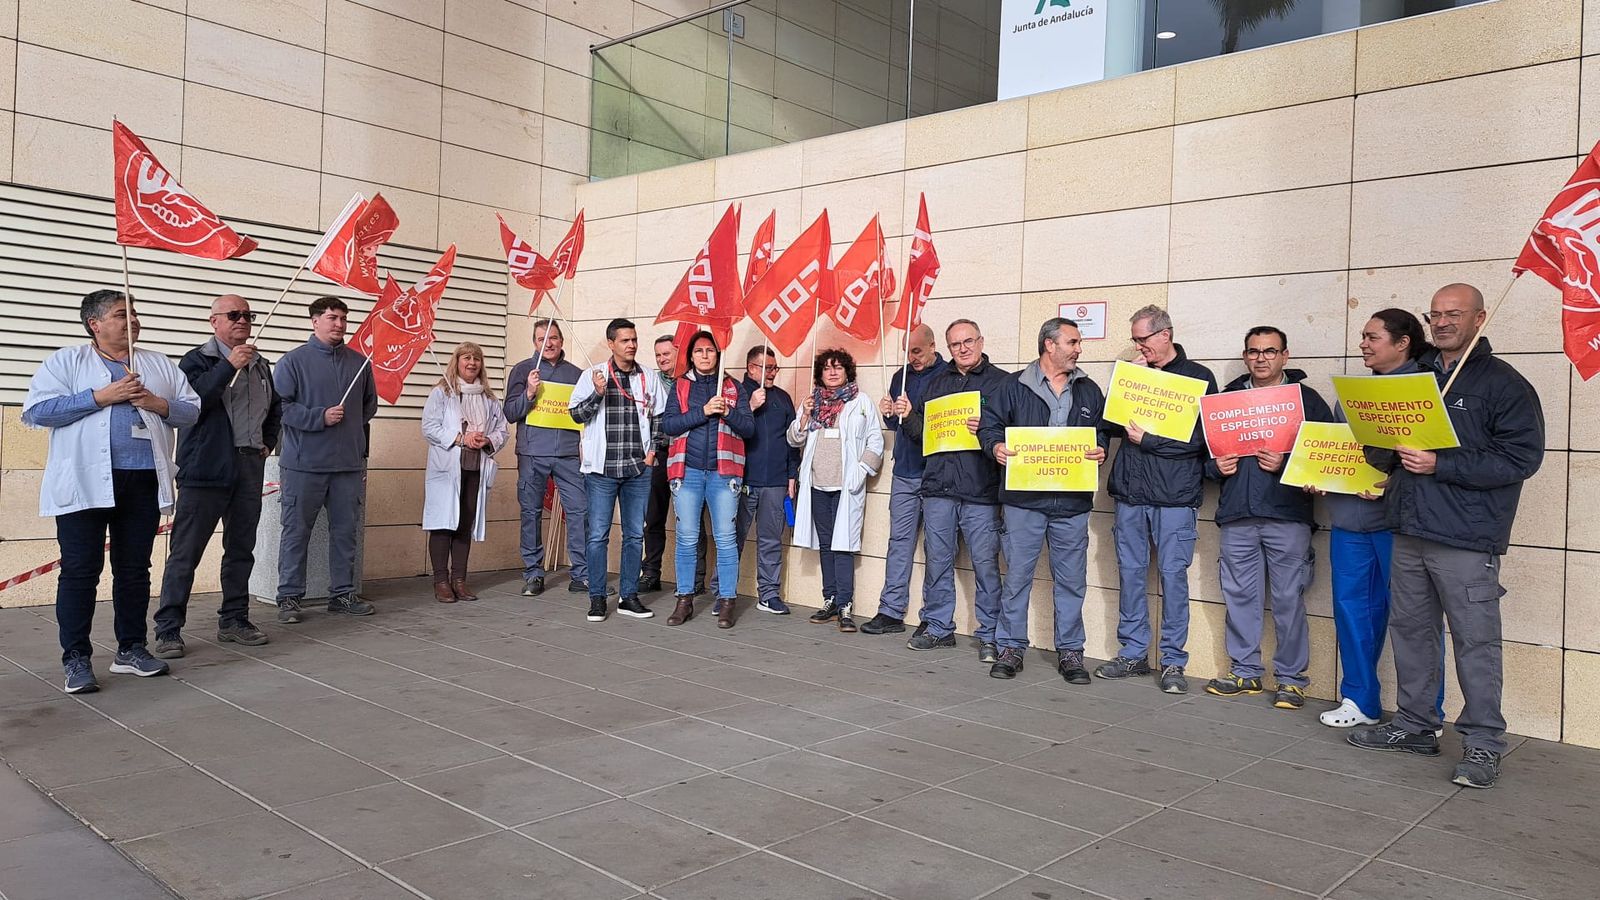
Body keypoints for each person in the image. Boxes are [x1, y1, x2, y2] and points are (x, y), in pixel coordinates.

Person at [1349, 284, 1544, 790]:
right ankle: (1416, 726)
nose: (1442, 322)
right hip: (1409, 527)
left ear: (1480, 318)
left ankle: (1483, 743)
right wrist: (1380, 440)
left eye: (1454, 314)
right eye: (1434, 314)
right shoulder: (1413, 380)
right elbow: (1380, 454)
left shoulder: (1504, 384)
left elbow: (1521, 458)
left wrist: (1442, 463)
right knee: (1412, 633)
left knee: (1476, 642)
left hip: (1466, 537)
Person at [22, 289, 199, 693]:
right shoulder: (67, 361)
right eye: (121, 315)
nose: (132, 320)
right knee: (80, 570)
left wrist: (157, 403)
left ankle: (131, 649)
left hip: (143, 480)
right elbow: (38, 411)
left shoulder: (158, 363)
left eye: (134, 313)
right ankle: (76, 658)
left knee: (134, 570)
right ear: (95, 324)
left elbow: (191, 410)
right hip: (85, 482)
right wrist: (101, 397)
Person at [1315, 309, 1446, 729]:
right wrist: (1318, 475)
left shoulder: (1431, 390)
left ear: (1402, 342)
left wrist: (1394, 484)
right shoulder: (1351, 395)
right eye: (1363, 336)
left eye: (1372, 337)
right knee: (1351, 611)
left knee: (1415, 620)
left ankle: (1425, 713)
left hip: (1401, 525)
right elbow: (1337, 450)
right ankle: (1359, 699)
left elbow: (1440, 459)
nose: (1363, 344)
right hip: (1349, 521)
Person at [1202, 326, 1333, 709]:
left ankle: (1291, 680)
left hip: (1287, 515)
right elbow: (1202, 458)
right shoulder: (1225, 401)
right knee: (1239, 598)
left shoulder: (1306, 400)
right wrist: (1215, 467)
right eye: (1254, 351)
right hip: (1238, 514)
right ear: (1246, 356)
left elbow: (1326, 457)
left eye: (1270, 351)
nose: (1261, 358)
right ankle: (1245, 671)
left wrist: (1286, 463)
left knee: (1289, 599)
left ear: (1284, 356)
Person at [977, 318, 1107, 681]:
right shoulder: (1012, 385)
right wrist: (995, 446)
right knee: (1017, 577)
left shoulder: (1089, 390)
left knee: (1072, 581)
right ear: (1050, 345)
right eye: (1072, 342)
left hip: (1072, 504)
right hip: (1023, 502)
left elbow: (1101, 433)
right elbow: (989, 426)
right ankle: (1010, 648)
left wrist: (1100, 449)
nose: (1079, 349)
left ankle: (1071, 653)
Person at [152, 294, 281, 659]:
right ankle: (168, 628)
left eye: (248, 315)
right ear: (214, 321)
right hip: (206, 469)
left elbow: (275, 407)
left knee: (241, 549)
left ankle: (235, 619)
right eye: (234, 314)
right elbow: (193, 403)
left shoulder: (260, 364)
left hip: (248, 467)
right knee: (186, 552)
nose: (243, 320)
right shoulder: (196, 360)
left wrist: (268, 442)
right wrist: (228, 365)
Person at [1098, 305, 1218, 694]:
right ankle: (1132, 653)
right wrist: (1129, 382)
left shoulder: (1199, 377)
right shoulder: (1134, 373)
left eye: (1143, 339)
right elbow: (1108, 424)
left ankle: (1172, 661)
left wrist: (1150, 440)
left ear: (1165, 334)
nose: (1139, 346)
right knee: (1131, 575)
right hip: (1131, 494)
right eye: (1135, 340)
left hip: (1175, 498)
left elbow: (1202, 440)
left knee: (1173, 578)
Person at [898, 320, 1009, 660]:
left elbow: (1016, 431)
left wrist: (990, 428)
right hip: (938, 488)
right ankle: (938, 627)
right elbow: (923, 433)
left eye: (968, 341)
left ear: (981, 341)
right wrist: (908, 416)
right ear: (948, 348)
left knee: (985, 565)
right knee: (937, 561)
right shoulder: (936, 383)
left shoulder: (1003, 383)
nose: (963, 348)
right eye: (956, 344)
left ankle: (990, 634)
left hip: (981, 489)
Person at [273, 296, 379, 622]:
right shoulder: (292, 362)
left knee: (346, 532)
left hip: (347, 465)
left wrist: (351, 437)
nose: (339, 324)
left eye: (343, 318)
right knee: (296, 532)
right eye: (332, 317)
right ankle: (289, 597)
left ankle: (343, 594)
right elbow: (280, 408)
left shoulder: (360, 363)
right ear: (315, 320)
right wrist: (319, 417)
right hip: (303, 465)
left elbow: (369, 406)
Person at [568, 317, 667, 622]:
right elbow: (576, 415)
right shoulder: (592, 375)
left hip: (638, 470)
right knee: (598, 536)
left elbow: (660, 417)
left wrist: (652, 453)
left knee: (634, 535)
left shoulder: (648, 377)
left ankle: (628, 596)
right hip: (602, 471)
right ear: (611, 344)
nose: (631, 345)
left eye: (634, 339)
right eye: (625, 340)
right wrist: (597, 393)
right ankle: (597, 598)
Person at [660, 332, 755, 628]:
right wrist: (702, 412)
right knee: (687, 539)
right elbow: (669, 425)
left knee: (725, 539)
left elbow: (749, 429)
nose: (704, 355)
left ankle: (726, 601)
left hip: (723, 475)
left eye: (710, 350)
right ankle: (684, 600)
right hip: (687, 472)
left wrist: (727, 412)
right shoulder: (680, 385)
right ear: (690, 356)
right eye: (699, 350)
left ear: (718, 354)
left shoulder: (733, 387)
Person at [789, 349, 883, 632]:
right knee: (826, 544)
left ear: (847, 372)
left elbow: (875, 440)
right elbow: (794, 439)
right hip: (817, 485)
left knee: (844, 545)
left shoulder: (860, 402)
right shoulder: (812, 402)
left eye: (838, 367)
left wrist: (861, 471)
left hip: (846, 486)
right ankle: (829, 599)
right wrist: (804, 416)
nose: (832, 372)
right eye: (827, 368)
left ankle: (845, 605)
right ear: (820, 373)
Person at [860, 324, 942, 635]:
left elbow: (941, 429)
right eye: (908, 352)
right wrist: (888, 415)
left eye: (917, 351)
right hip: (905, 472)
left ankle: (933, 617)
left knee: (937, 548)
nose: (912, 357)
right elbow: (898, 426)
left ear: (933, 346)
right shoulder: (901, 376)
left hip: (936, 474)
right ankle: (891, 611)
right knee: (899, 543)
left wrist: (909, 415)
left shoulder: (947, 377)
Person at [504, 318, 591, 597]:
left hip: (568, 454)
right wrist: (529, 392)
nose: (548, 343)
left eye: (553, 338)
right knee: (530, 513)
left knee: (579, 511)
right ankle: (533, 573)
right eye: (542, 339)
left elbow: (586, 413)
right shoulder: (522, 370)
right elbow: (510, 413)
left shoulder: (576, 374)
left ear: (562, 341)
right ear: (535, 342)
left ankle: (582, 575)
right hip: (532, 453)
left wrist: (598, 391)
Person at [422, 342, 509, 603]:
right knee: (442, 524)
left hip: (475, 468)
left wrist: (488, 440)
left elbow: (503, 430)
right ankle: (441, 581)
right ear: (457, 361)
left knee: (464, 522)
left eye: (477, 359)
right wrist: (460, 438)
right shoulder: (442, 392)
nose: (472, 363)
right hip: (448, 467)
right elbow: (429, 427)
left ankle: (459, 580)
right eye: (467, 358)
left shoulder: (489, 398)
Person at [734, 345, 799, 615]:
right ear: (751, 368)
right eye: (767, 368)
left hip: (776, 481)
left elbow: (792, 441)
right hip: (741, 480)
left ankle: (769, 594)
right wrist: (749, 407)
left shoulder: (782, 398)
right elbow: (729, 431)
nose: (772, 373)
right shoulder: (736, 393)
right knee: (731, 539)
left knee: (771, 540)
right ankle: (723, 593)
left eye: (774, 368)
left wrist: (792, 475)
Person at [641, 334, 708, 593]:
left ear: (679, 353)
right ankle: (651, 573)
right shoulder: (650, 382)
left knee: (692, 520)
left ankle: (696, 580)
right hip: (658, 455)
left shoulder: (693, 382)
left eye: (667, 354)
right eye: (658, 355)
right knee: (653, 517)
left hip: (687, 456)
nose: (662, 359)